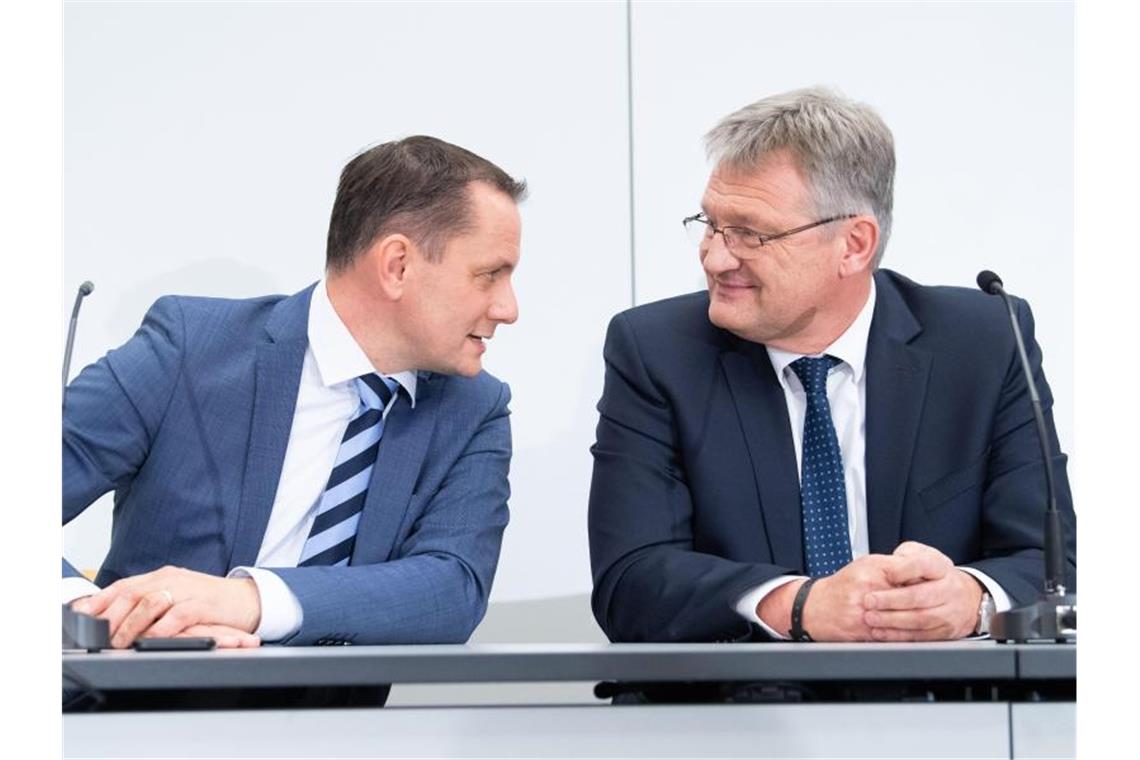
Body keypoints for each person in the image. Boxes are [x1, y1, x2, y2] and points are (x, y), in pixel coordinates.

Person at [588, 87, 1076, 645]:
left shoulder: (985, 341)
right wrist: (800, 605)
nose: (715, 256)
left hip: (944, 710)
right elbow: (631, 582)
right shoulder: (655, 352)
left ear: (854, 244)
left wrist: (972, 597)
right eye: (710, 223)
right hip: (734, 715)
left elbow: (1055, 562)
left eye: (749, 232)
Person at [64, 136, 526, 651]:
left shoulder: (474, 409)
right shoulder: (189, 349)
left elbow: (451, 590)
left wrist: (250, 601)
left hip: (332, 726)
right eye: (489, 275)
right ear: (397, 265)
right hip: (135, 714)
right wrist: (90, 616)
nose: (509, 308)